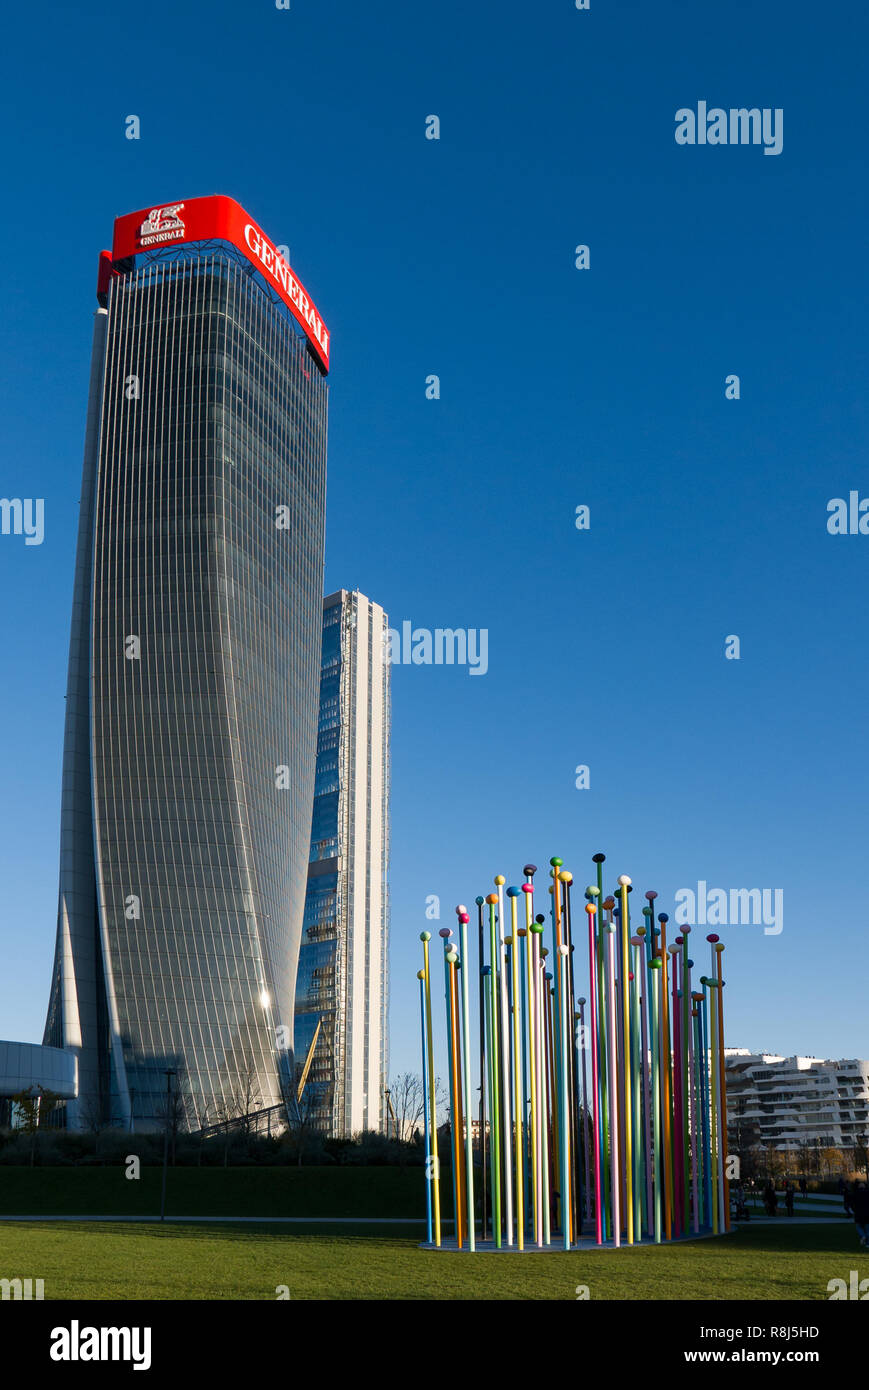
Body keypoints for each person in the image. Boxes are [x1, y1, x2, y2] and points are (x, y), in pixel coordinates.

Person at [851, 1181, 869, 1248]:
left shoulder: (855, 1194)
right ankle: (867, 1243)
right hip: (867, 1214)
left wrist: (855, 1210)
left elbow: (852, 1204)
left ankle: (863, 1236)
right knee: (867, 1229)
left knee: (858, 1226)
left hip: (858, 1213)